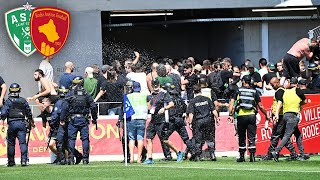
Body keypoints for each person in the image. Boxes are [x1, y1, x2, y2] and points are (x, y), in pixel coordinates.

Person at [228, 75, 270, 162]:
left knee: (242, 136)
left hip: (241, 116)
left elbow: (232, 103)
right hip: (251, 116)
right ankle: (252, 156)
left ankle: (242, 156)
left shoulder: (238, 90)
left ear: (243, 81)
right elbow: (260, 106)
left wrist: (230, 114)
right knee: (251, 136)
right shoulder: (254, 91)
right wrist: (266, 114)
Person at [144, 79, 184, 164]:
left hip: (161, 120)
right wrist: (148, 102)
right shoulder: (151, 94)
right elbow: (149, 107)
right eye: (153, 85)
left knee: (164, 140)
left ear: (159, 85)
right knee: (148, 139)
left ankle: (178, 152)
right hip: (153, 120)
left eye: (156, 85)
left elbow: (172, 104)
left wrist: (164, 108)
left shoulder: (164, 93)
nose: (155, 87)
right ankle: (150, 158)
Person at [271, 77, 307, 162]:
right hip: (293, 115)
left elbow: (280, 103)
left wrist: (276, 114)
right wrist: (299, 104)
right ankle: (276, 151)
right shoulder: (298, 91)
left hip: (285, 115)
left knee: (297, 134)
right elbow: (305, 101)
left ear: (290, 83)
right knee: (287, 135)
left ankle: (302, 154)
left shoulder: (285, 91)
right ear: (297, 84)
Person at [262, 77, 298, 160]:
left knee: (275, 135)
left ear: (277, 83)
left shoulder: (279, 91)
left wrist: (276, 115)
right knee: (282, 136)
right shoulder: (282, 91)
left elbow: (279, 103)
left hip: (280, 116)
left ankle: (270, 154)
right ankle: (293, 153)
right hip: (282, 115)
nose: (271, 86)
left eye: (272, 84)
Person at [66, 76, 98, 164]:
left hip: (72, 119)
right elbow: (93, 106)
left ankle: (71, 159)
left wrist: (63, 118)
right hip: (83, 119)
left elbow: (65, 106)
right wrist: (94, 118)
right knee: (85, 139)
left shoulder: (70, 94)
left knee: (71, 139)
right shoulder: (86, 94)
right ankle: (85, 159)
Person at [1, 83, 34, 167]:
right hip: (22, 123)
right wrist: (30, 120)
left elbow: (3, 113)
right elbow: (29, 112)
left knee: (11, 144)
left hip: (12, 123)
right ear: (19, 90)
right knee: (22, 143)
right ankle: (24, 161)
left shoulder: (8, 101)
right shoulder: (23, 101)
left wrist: (3, 118)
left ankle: (11, 161)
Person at [187, 84, 220, 161]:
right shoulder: (207, 99)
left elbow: (191, 114)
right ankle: (212, 154)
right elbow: (213, 110)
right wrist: (217, 118)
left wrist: (190, 123)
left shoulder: (192, 101)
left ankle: (198, 156)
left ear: (194, 92)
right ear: (200, 90)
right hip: (209, 120)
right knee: (210, 138)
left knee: (198, 139)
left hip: (198, 122)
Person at [52, 86, 83, 165]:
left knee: (60, 142)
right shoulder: (71, 101)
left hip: (61, 124)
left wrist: (52, 124)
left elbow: (55, 116)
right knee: (67, 143)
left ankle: (62, 159)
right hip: (71, 123)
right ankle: (76, 155)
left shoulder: (58, 103)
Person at [126, 81, 148, 163]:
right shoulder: (144, 96)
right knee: (140, 139)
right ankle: (139, 157)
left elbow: (126, 109)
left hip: (132, 118)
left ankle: (131, 157)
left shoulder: (128, 96)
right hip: (142, 118)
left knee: (131, 139)